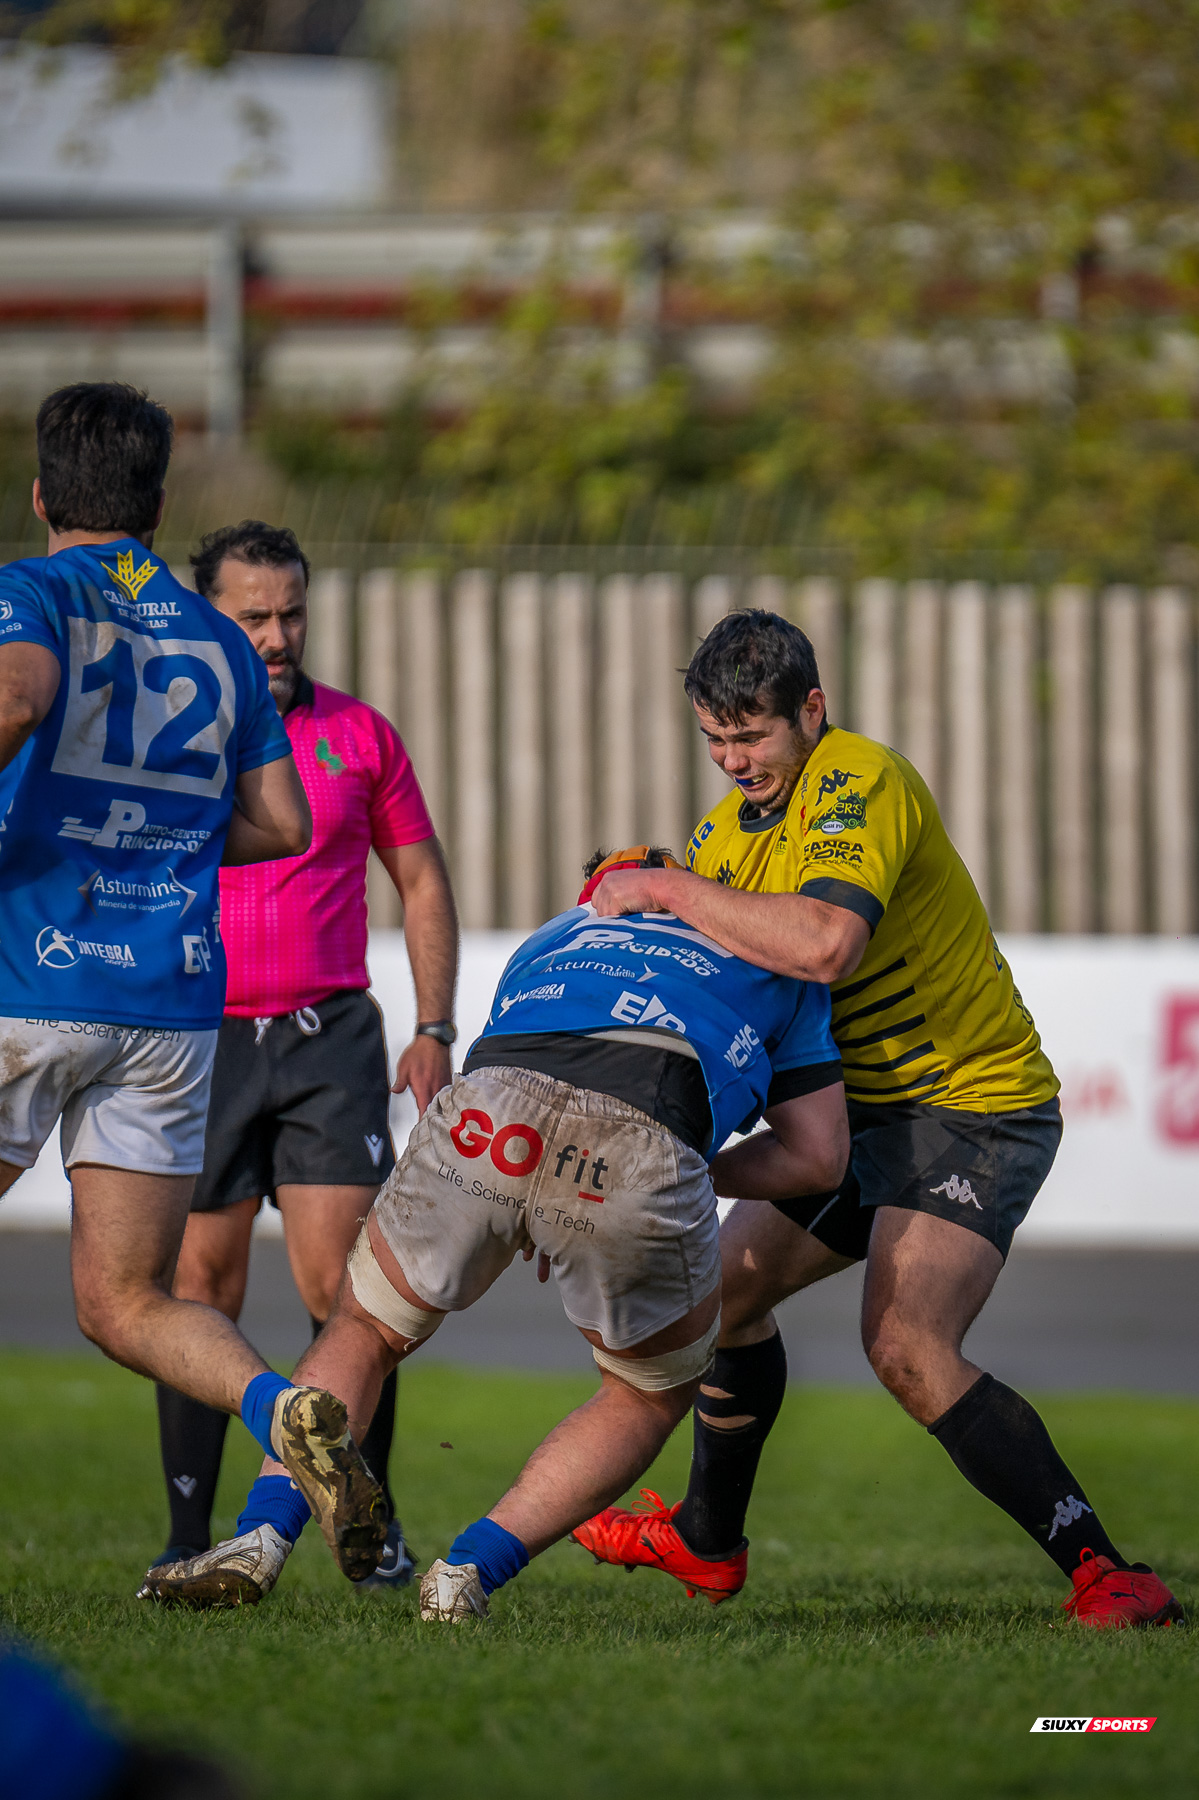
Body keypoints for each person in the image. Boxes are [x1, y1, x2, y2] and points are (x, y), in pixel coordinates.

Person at [575, 609, 1182, 1631]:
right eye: (714, 740)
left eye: (752, 735)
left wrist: (668, 888)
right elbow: (731, 992)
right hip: (855, 1119)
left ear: (810, 710)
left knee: (905, 1343)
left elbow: (822, 945)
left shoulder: (860, 777)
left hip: (973, 1103)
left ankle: (1107, 1574)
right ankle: (706, 1542)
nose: (732, 761)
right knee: (714, 1292)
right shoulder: (722, 839)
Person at [142, 846, 849, 1614]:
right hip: (643, 1124)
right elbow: (818, 1159)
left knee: (366, 1329)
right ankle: (467, 1572)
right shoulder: (773, 956)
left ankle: (261, 1536)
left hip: (494, 1106)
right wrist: (664, 1174)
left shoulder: (558, 935)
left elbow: (513, 1068)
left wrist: (541, 1192)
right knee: (644, 1396)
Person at [0, 382, 324, 1486]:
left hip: (28, 977)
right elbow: (286, 822)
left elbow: (14, 699)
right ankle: (280, 1404)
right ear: (159, 500)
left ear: (42, 493)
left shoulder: (31, 591)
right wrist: (163, 841)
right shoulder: (219, 638)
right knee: (127, 1301)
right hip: (171, 1006)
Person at [146, 519, 458, 1595]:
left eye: (291, 614)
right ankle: (187, 1539)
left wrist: (431, 1027)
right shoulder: (169, 737)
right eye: (253, 617)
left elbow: (421, 882)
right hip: (204, 1039)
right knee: (196, 1286)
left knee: (354, 1291)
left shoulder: (359, 736)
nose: (277, 637)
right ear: (204, 619)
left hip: (332, 1040)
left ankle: (369, 1528)